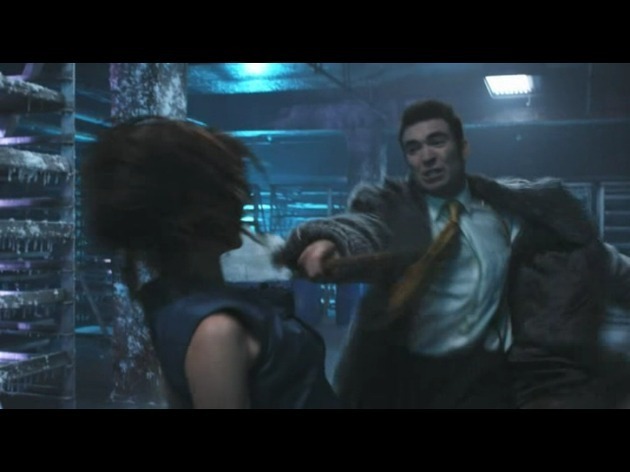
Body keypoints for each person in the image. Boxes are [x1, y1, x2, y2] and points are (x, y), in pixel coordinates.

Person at [275, 99, 630, 409]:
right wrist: (332, 241)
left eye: (437, 141)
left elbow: (606, 267)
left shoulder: (532, 228)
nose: (426, 156)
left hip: (502, 386)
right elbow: (370, 225)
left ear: (462, 148)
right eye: (414, 148)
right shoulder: (404, 214)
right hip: (415, 384)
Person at [80, 115, 342, 409]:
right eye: (227, 189)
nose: (243, 199)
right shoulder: (215, 330)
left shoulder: (171, 302)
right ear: (193, 212)